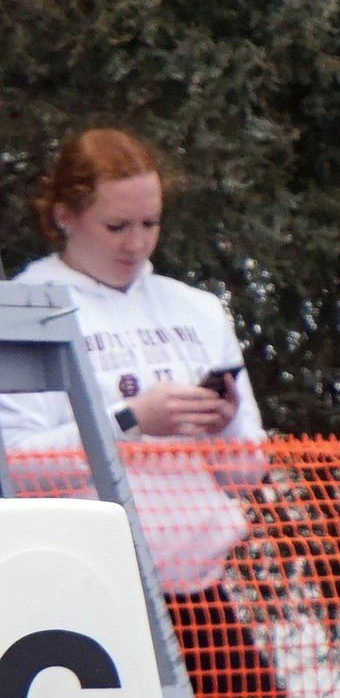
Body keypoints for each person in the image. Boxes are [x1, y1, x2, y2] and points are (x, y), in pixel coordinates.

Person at [0, 128, 284, 698]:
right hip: (84, 591)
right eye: (116, 226)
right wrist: (130, 421)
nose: (135, 244)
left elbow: (246, 473)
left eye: (150, 224)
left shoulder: (198, 310)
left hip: (195, 589)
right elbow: (17, 469)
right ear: (64, 216)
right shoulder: (22, 308)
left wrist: (223, 423)